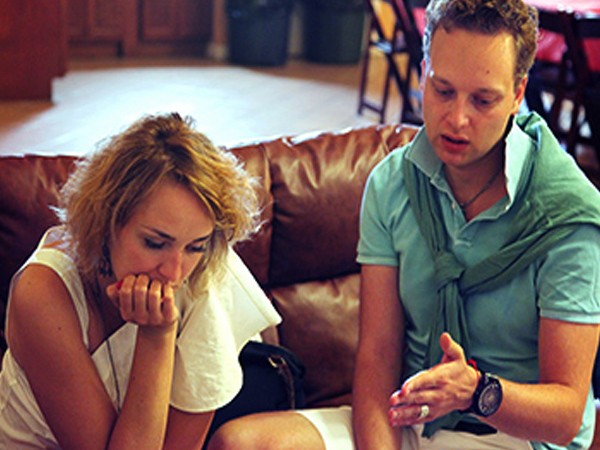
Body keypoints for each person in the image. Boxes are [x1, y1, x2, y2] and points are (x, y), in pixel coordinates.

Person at [206, 0, 600, 449]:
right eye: (443, 90)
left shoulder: (568, 214)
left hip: (514, 434)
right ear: (424, 73)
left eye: (483, 100)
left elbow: (566, 416)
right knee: (242, 443)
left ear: (517, 93)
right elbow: (378, 354)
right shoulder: (393, 182)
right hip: (409, 418)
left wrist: (476, 392)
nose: (457, 118)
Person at [0, 113, 281, 449]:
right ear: (105, 222)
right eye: (154, 243)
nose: (174, 273)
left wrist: (159, 333)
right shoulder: (42, 292)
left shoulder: (204, 273)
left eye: (195, 246)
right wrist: (157, 337)